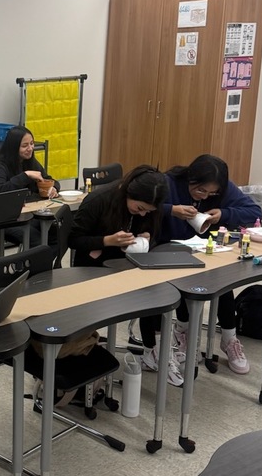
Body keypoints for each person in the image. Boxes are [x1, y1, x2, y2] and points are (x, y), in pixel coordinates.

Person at [69, 164, 184, 385]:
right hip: (92, 269)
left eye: (147, 211)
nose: (142, 213)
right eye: (139, 208)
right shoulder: (99, 200)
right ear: (128, 193)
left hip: (127, 264)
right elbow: (73, 240)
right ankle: (82, 356)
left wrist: (148, 237)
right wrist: (106, 240)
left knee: (157, 291)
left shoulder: (149, 208)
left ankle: (156, 351)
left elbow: (155, 235)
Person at [160, 154, 262, 375]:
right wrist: (172, 210)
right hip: (168, 249)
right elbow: (145, 205)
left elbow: (255, 212)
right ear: (191, 177)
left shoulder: (223, 189)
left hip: (204, 248)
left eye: (211, 194)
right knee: (182, 284)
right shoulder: (169, 182)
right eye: (200, 190)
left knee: (221, 282)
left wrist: (223, 214)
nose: (204, 196)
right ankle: (183, 331)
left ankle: (229, 339)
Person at [0, 125, 60, 247]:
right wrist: (25, 176)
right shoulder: (0, 163)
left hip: (26, 212)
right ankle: (31, 264)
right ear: (13, 148)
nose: (30, 148)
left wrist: (53, 188)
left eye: (32, 144)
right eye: (25, 146)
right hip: (4, 217)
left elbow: (47, 179)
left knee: (57, 234)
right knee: (36, 241)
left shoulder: (29, 160)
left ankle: (42, 265)